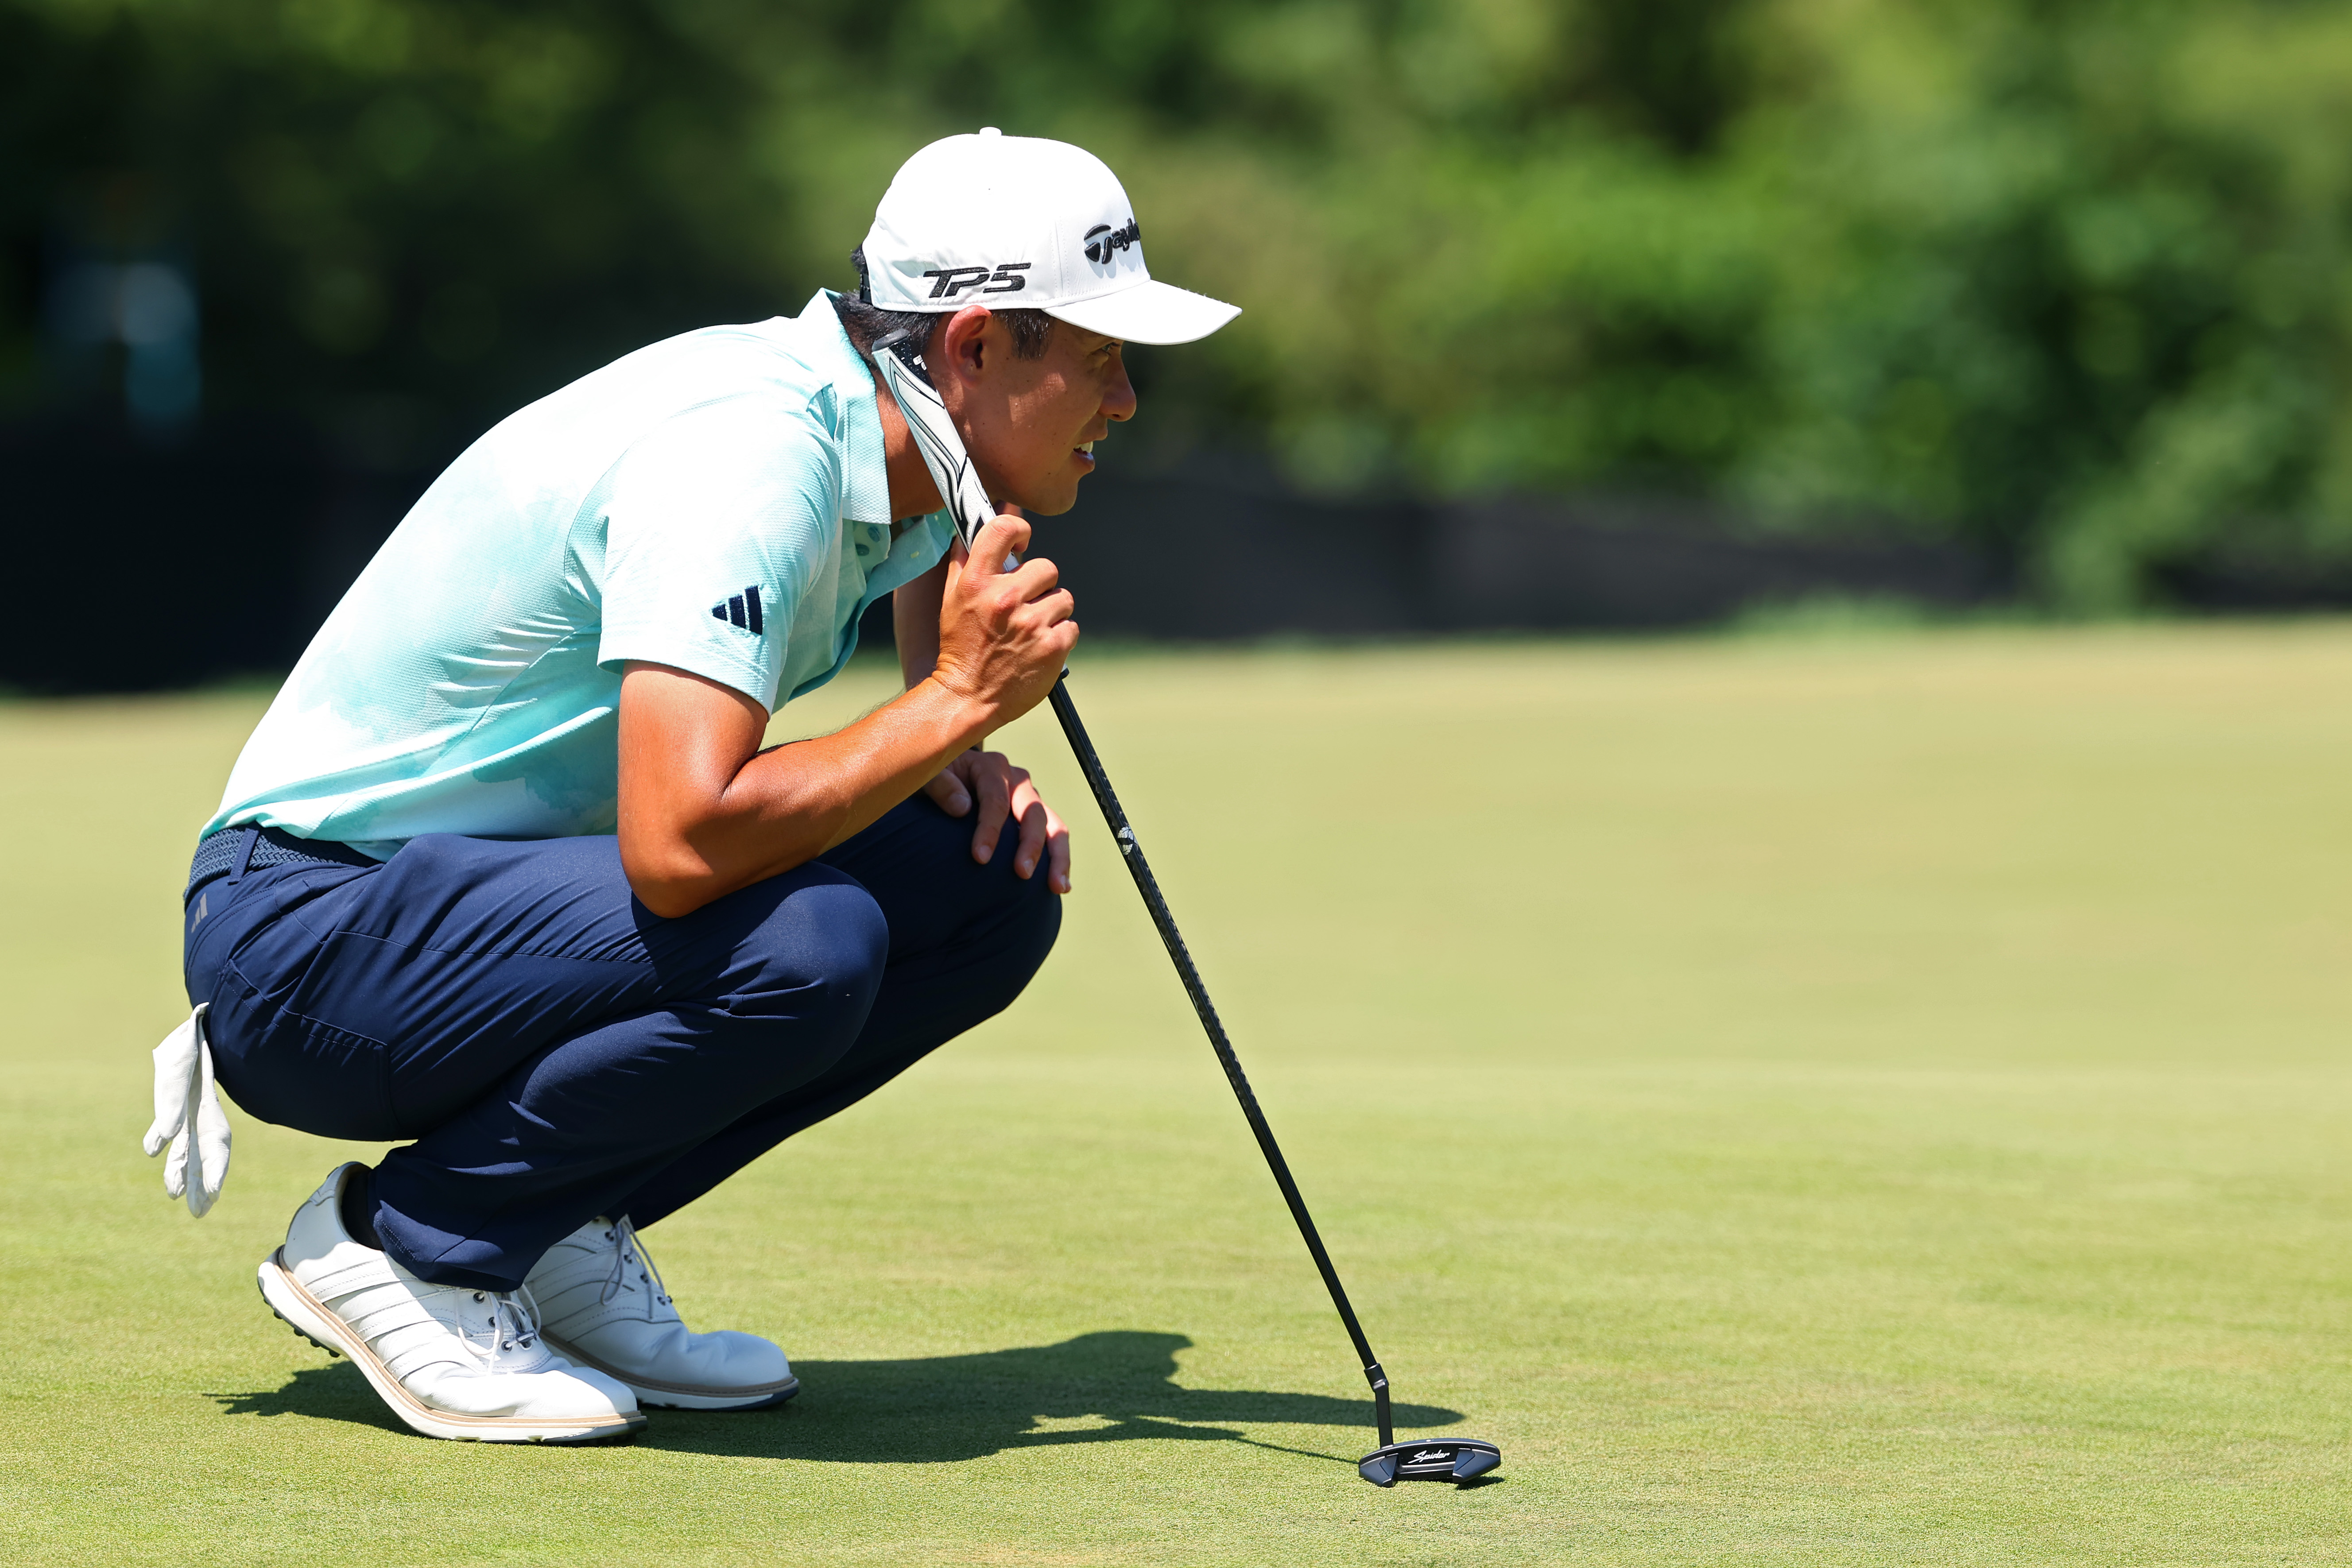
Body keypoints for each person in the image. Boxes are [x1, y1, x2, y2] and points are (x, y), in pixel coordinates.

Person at [158, 129, 1238, 1444]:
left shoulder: (897, 420)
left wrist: (947, 740)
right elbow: (679, 847)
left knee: (980, 887)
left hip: (471, 919)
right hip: (308, 937)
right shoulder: (751, 459)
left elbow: (937, 561)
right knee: (805, 941)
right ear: (968, 347)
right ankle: (412, 1242)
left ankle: (551, 1224)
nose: (1125, 403)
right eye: (1101, 358)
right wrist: (954, 702)